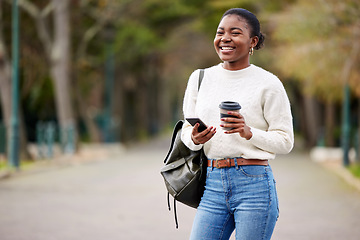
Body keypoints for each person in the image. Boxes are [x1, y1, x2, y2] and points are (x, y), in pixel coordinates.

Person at [181, 8, 294, 240]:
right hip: (211, 183)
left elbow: (285, 141)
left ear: (253, 41)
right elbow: (185, 130)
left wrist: (248, 132)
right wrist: (194, 138)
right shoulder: (200, 78)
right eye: (220, 32)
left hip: (254, 184)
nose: (225, 38)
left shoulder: (268, 83)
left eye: (235, 32)